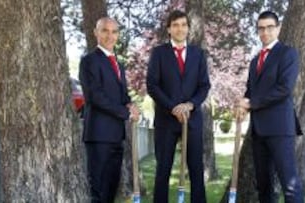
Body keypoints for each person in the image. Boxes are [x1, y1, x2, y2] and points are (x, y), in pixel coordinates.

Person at [236, 11, 304, 203]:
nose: (265, 32)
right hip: (259, 131)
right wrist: (243, 105)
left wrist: (251, 103)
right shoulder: (254, 61)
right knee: (264, 186)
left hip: (280, 129)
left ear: (278, 28)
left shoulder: (288, 53)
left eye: (269, 27)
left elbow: (284, 88)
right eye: (261, 28)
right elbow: (250, 91)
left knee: (290, 186)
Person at [146, 10, 210, 203]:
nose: (180, 28)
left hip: (192, 119)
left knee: (196, 170)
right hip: (166, 120)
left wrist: (189, 105)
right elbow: (152, 85)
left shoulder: (199, 55)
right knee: (163, 169)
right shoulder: (158, 53)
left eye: (183, 24)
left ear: (188, 28)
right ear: (169, 29)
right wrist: (174, 107)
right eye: (175, 25)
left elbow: (204, 85)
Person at [79, 17, 140, 203]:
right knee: (98, 192)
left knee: (111, 191)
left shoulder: (118, 64)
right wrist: (125, 113)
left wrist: (130, 105)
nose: (109, 35)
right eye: (105, 30)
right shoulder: (89, 61)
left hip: (116, 136)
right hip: (98, 136)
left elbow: (121, 96)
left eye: (114, 31)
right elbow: (95, 96)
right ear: (96, 33)